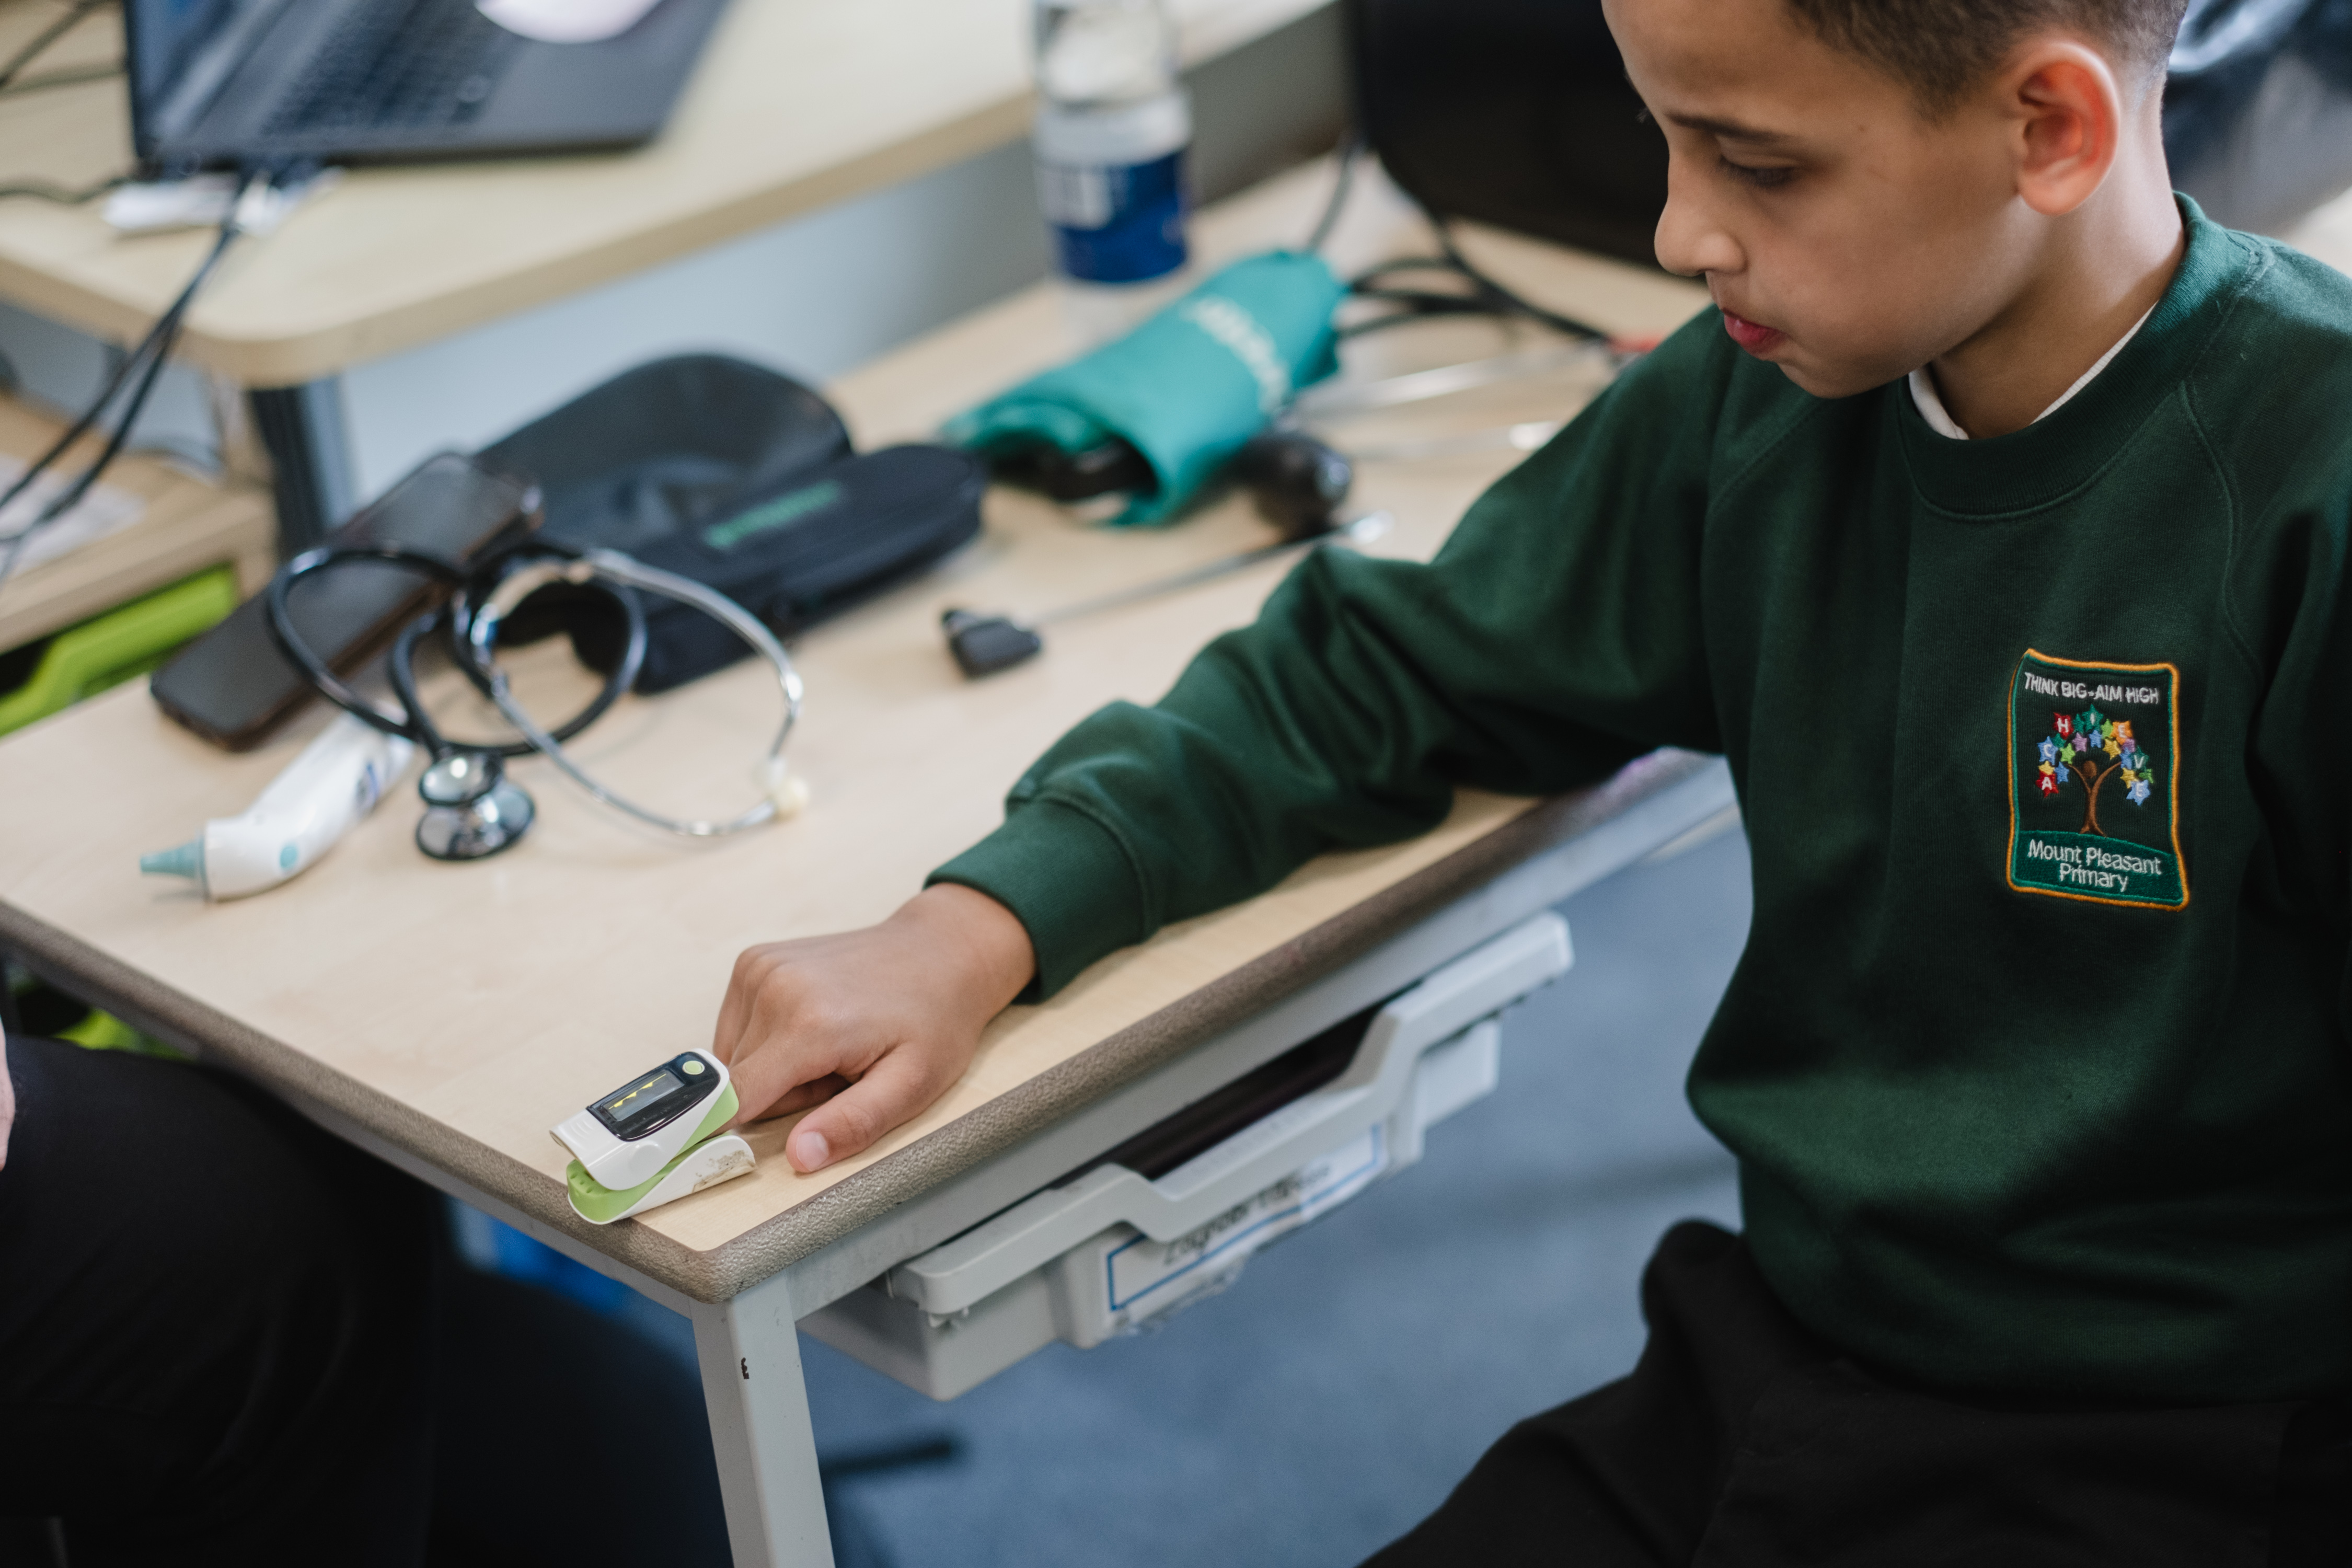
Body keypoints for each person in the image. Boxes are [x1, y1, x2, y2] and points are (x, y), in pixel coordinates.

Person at [706, 0, 2352, 1555]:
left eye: (1755, 164)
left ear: (2046, 127)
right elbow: (1391, 668)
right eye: (1661, 139)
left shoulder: (2303, 482)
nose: (1676, 233)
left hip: (2183, 1429)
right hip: (1781, 1344)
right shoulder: (1758, 391)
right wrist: (974, 923)